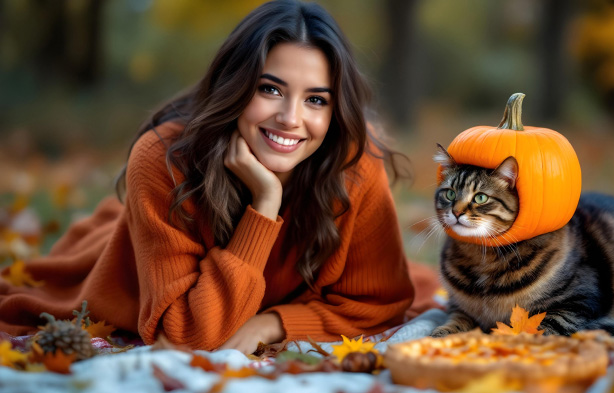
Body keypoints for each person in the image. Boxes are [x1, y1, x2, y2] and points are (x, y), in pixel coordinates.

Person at [0, 0, 429, 353]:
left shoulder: (352, 162)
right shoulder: (164, 158)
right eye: (270, 89)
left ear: (335, 111)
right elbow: (188, 336)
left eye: (316, 99)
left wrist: (272, 323)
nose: (290, 119)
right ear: (236, 86)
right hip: (136, 263)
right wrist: (264, 205)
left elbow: (379, 302)